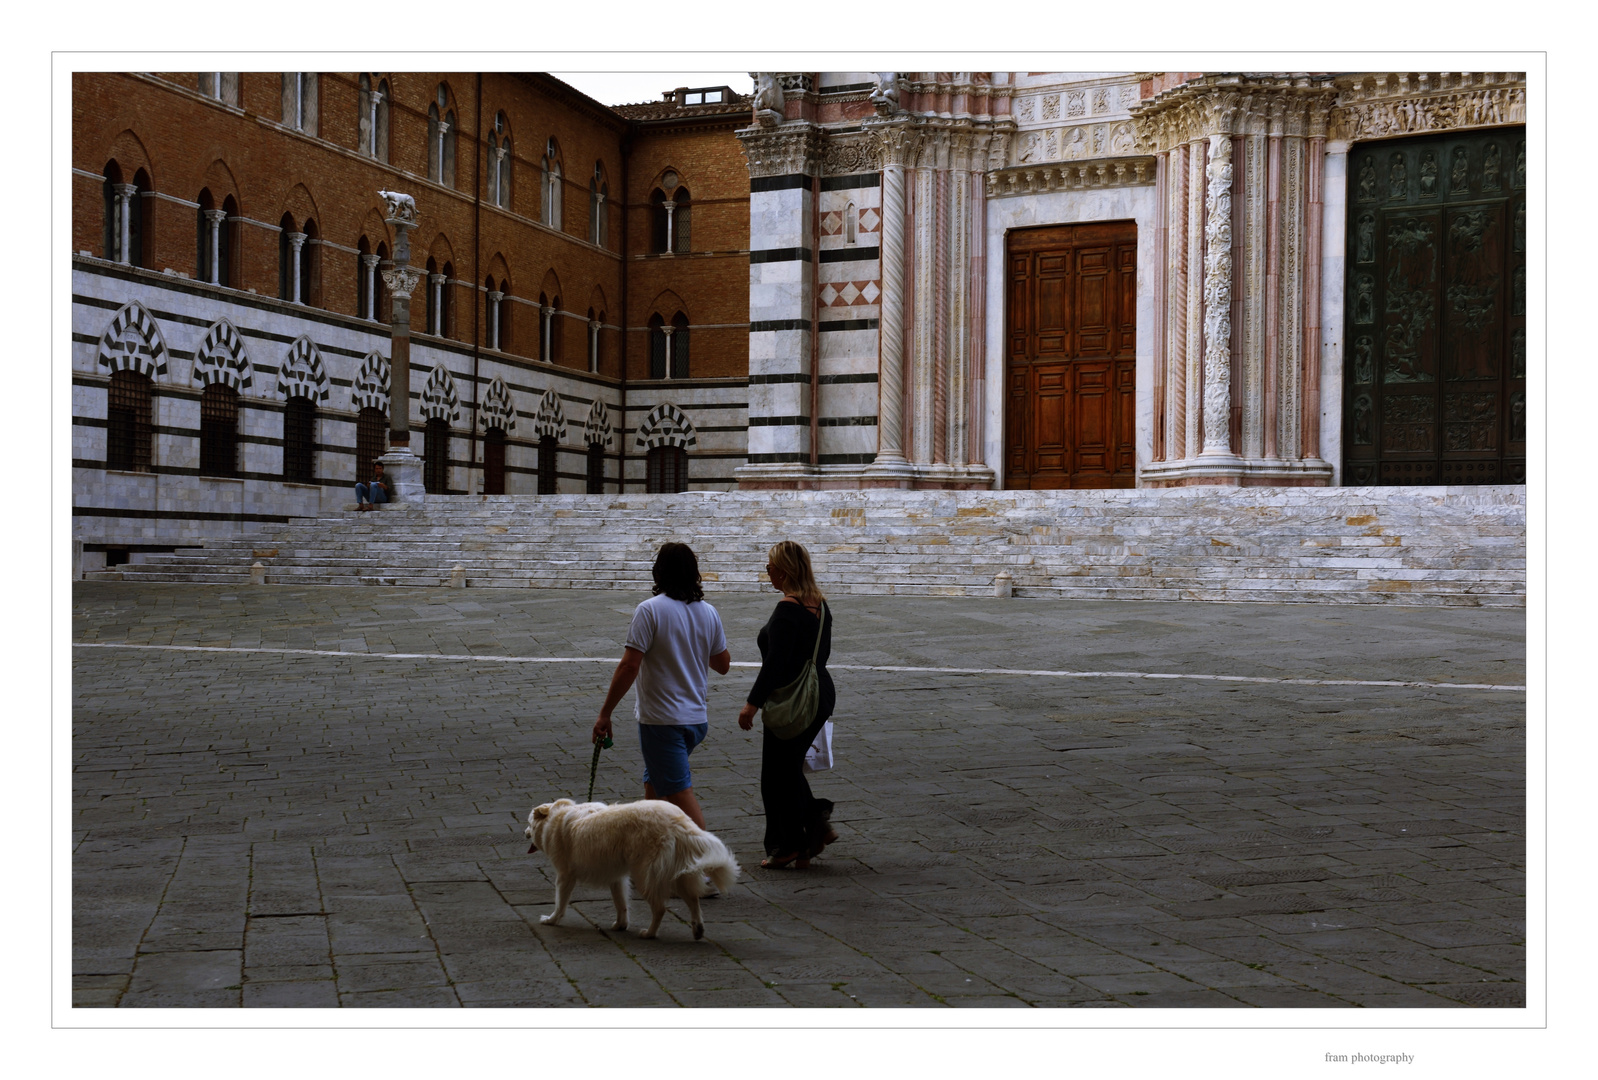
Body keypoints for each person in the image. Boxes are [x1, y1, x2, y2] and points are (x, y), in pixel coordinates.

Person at [593, 542, 731, 830]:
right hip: (696, 719)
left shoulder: (649, 610)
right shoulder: (709, 612)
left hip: (663, 720)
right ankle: (655, 849)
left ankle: (704, 858)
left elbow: (630, 665)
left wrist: (605, 713)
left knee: (679, 791)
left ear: (659, 573)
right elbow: (722, 664)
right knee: (656, 783)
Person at [738, 540, 838, 869]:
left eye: (769, 566)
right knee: (788, 769)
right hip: (819, 693)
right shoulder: (820, 607)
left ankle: (789, 842)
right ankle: (807, 840)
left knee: (774, 774)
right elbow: (819, 657)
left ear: (784, 570)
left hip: (792, 699)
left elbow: (775, 665)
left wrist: (752, 704)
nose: (767, 571)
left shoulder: (787, 608)